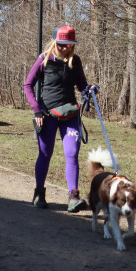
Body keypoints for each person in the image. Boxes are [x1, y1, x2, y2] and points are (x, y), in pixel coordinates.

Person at [23, 25, 94, 211]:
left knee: (72, 153)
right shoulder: (44, 60)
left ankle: (73, 197)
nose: (64, 48)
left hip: (70, 115)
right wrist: (37, 110)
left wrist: (89, 90)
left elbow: (82, 85)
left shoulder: (75, 61)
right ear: (54, 41)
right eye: (61, 44)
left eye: (68, 44)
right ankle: (39, 193)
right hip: (47, 115)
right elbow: (28, 85)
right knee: (45, 154)